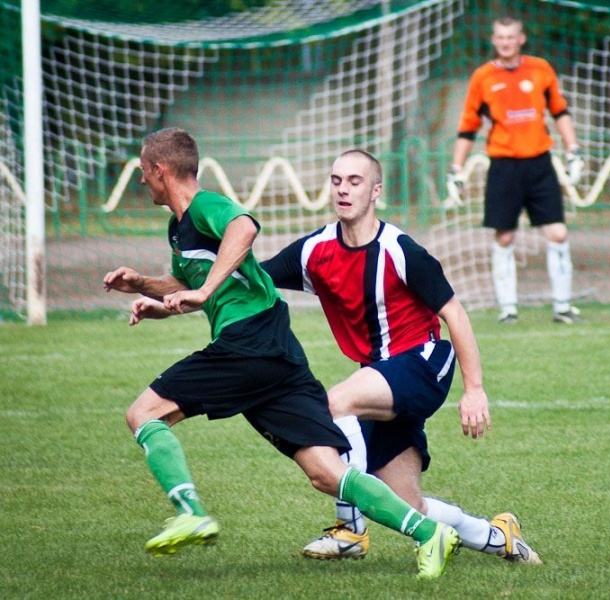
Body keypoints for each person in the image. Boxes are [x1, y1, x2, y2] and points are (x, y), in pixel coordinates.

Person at [101, 128, 460, 579]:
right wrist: (147, 292)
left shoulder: (204, 206)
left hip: (247, 343)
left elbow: (245, 227)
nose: (140, 182)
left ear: (160, 170)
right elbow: (190, 284)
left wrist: (207, 288)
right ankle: (430, 533)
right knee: (326, 473)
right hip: (274, 348)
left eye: (142, 172)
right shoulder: (179, 227)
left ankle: (190, 511)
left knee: (144, 414)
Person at [261, 149, 541, 565]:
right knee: (406, 505)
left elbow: (456, 315)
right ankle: (499, 536)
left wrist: (475, 390)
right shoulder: (315, 250)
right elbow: (246, 275)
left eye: (354, 181)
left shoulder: (401, 250)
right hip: (380, 378)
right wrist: (173, 293)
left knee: (335, 403)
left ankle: (349, 532)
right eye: (337, 180)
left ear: (376, 191)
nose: (343, 189)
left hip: (424, 362)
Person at [448, 15, 585, 324]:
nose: (505, 42)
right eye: (500, 37)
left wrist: (573, 149)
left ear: (521, 39)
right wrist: (456, 169)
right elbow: (468, 126)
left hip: (539, 162)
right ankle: (508, 308)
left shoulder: (540, 69)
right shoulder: (483, 77)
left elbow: (560, 111)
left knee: (559, 233)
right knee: (505, 238)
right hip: (504, 166)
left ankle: (562, 307)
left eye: (511, 37)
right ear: (494, 40)